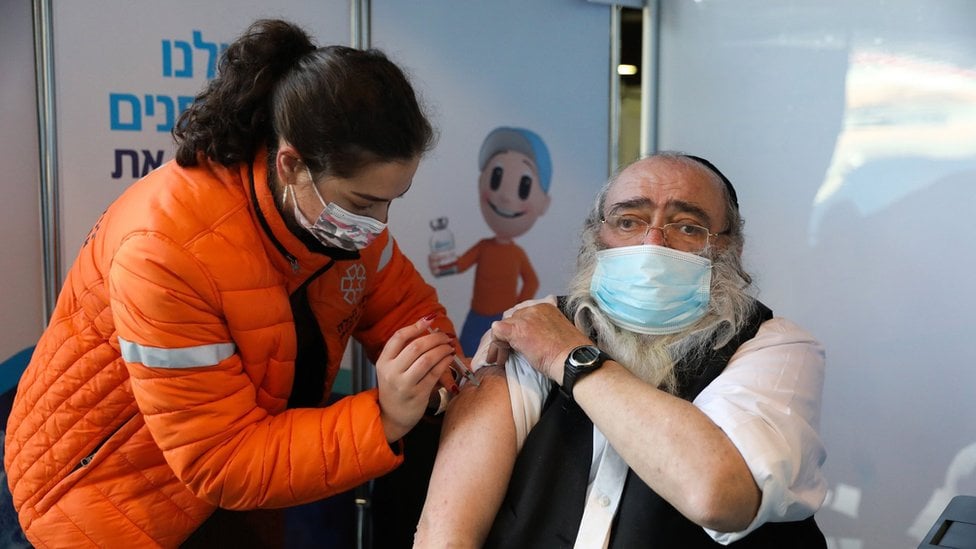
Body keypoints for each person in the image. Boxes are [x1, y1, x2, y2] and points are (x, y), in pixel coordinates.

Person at [4, 19, 463, 548]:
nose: (378, 224)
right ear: (292, 163)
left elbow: (407, 310)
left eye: (391, 201)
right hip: (104, 504)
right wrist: (381, 418)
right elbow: (220, 461)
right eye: (363, 203)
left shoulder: (333, 217)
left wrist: (442, 376)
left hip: (234, 485)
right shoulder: (166, 252)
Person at [414, 152, 828, 547]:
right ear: (597, 237)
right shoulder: (533, 325)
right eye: (629, 221)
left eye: (687, 226)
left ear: (730, 250)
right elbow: (447, 532)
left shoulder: (776, 347)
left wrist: (567, 356)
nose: (652, 243)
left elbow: (716, 495)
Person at [429, 126, 552, 355]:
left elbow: (531, 282)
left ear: (544, 203)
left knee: (498, 360)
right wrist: (443, 266)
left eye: (524, 186)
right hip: (476, 316)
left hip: (502, 319)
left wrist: (516, 311)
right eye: (496, 177)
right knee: (467, 354)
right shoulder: (483, 247)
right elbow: (461, 264)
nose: (504, 196)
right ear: (481, 183)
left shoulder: (517, 254)